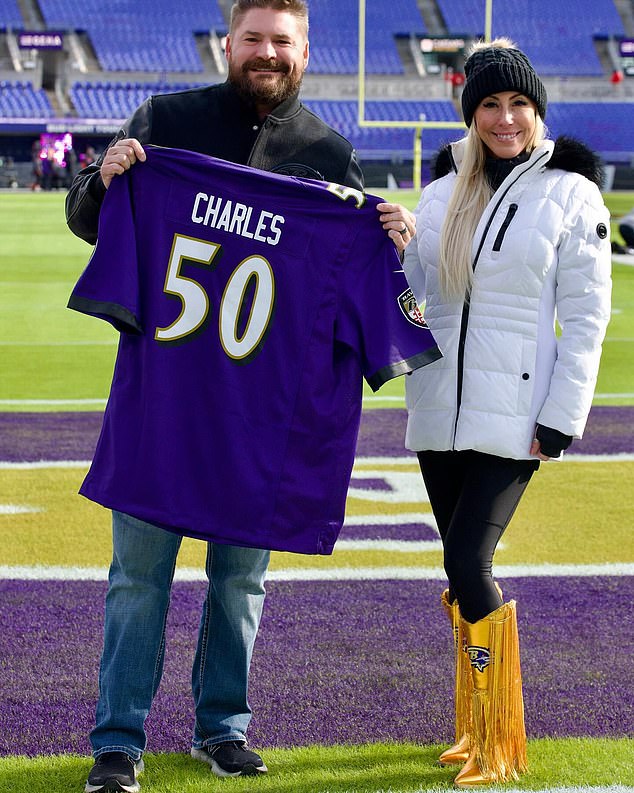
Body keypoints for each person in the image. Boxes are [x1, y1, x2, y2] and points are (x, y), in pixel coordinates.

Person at [65, 2, 416, 792]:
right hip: (167, 401)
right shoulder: (166, 120)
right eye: (253, 39)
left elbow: (351, 273)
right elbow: (89, 218)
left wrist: (388, 234)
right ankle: (118, 739)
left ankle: (221, 727)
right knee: (138, 577)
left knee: (239, 580)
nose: (266, 53)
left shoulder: (328, 153)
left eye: (280, 42)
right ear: (228, 44)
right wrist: (105, 179)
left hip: (263, 415)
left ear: (303, 51)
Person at [403, 38, 611, 788]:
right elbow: (415, 301)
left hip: (516, 414)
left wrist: (564, 414)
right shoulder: (440, 192)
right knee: (459, 578)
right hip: (438, 410)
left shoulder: (570, 192)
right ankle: (470, 727)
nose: (505, 117)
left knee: (470, 560)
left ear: (538, 111)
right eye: (489, 103)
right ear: (470, 112)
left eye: (519, 102)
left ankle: (501, 737)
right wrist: (397, 249)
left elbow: (588, 316)